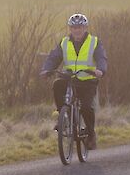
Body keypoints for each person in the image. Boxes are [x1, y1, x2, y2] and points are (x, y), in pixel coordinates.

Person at [40, 12, 107, 150]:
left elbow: (101, 58)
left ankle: (90, 134)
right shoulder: (64, 42)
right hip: (69, 78)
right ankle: (63, 117)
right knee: (57, 85)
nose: (77, 30)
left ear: (85, 28)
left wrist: (100, 69)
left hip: (87, 80)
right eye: (74, 27)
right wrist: (47, 70)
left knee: (86, 107)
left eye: (80, 27)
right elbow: (54, 57)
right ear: (70, 29)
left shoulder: (94, 42)